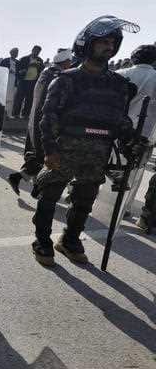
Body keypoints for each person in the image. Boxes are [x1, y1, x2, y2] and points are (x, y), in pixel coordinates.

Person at [32, 16, 140, 265]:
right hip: (65, 148)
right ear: (88, 44)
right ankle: (43, 242)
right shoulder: (67, 79)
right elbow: (48, 117)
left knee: (84, 201)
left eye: (112, 42)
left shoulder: (119, 84)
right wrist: (49, 150)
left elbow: (119, 119)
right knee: (49, 197)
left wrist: (131, 140)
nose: (109, 46)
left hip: (98, 151)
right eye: (103, 41)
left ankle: (69, 240)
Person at [7, 48, 73, 195]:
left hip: (35, 118)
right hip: (45, 120)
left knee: (37, 154)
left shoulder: (46, 72)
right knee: (44, 155)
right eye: (70, 61)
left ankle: (34, 187)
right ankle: (23, 181)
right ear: (66, 62)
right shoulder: (57, 76)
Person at [117, 44, 156, 232]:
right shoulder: (155, 78)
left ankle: (84, 196)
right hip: (142, 133)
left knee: (108, 164)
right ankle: (123, 207)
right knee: (133, 171)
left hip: (115, 128)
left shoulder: (120, 73)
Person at [13, 45, 44, 118]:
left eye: (38, 51)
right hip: (23, 81)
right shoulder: (24, 59)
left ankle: (25, 115)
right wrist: (27, 67)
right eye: (35, 50)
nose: (36, 52)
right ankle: (15, 114)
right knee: (19, 98)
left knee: (29, 99)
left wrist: (38, 67)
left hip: (33, 82)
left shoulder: (40, 60)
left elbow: (42, 70)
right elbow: (18, 70)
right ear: (32, 50)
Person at [0, 47, 19, 115]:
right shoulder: (5, 60)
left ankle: (8, 113)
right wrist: (8, 70)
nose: (15, 53)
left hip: (14, 82)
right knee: (4, 96)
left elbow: (19, 72)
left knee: (11, 98)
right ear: (10, 52)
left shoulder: (18, 62)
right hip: (5, 81)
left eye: (16, 52)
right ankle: (2, 112)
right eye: (14, 52)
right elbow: (1, 69)